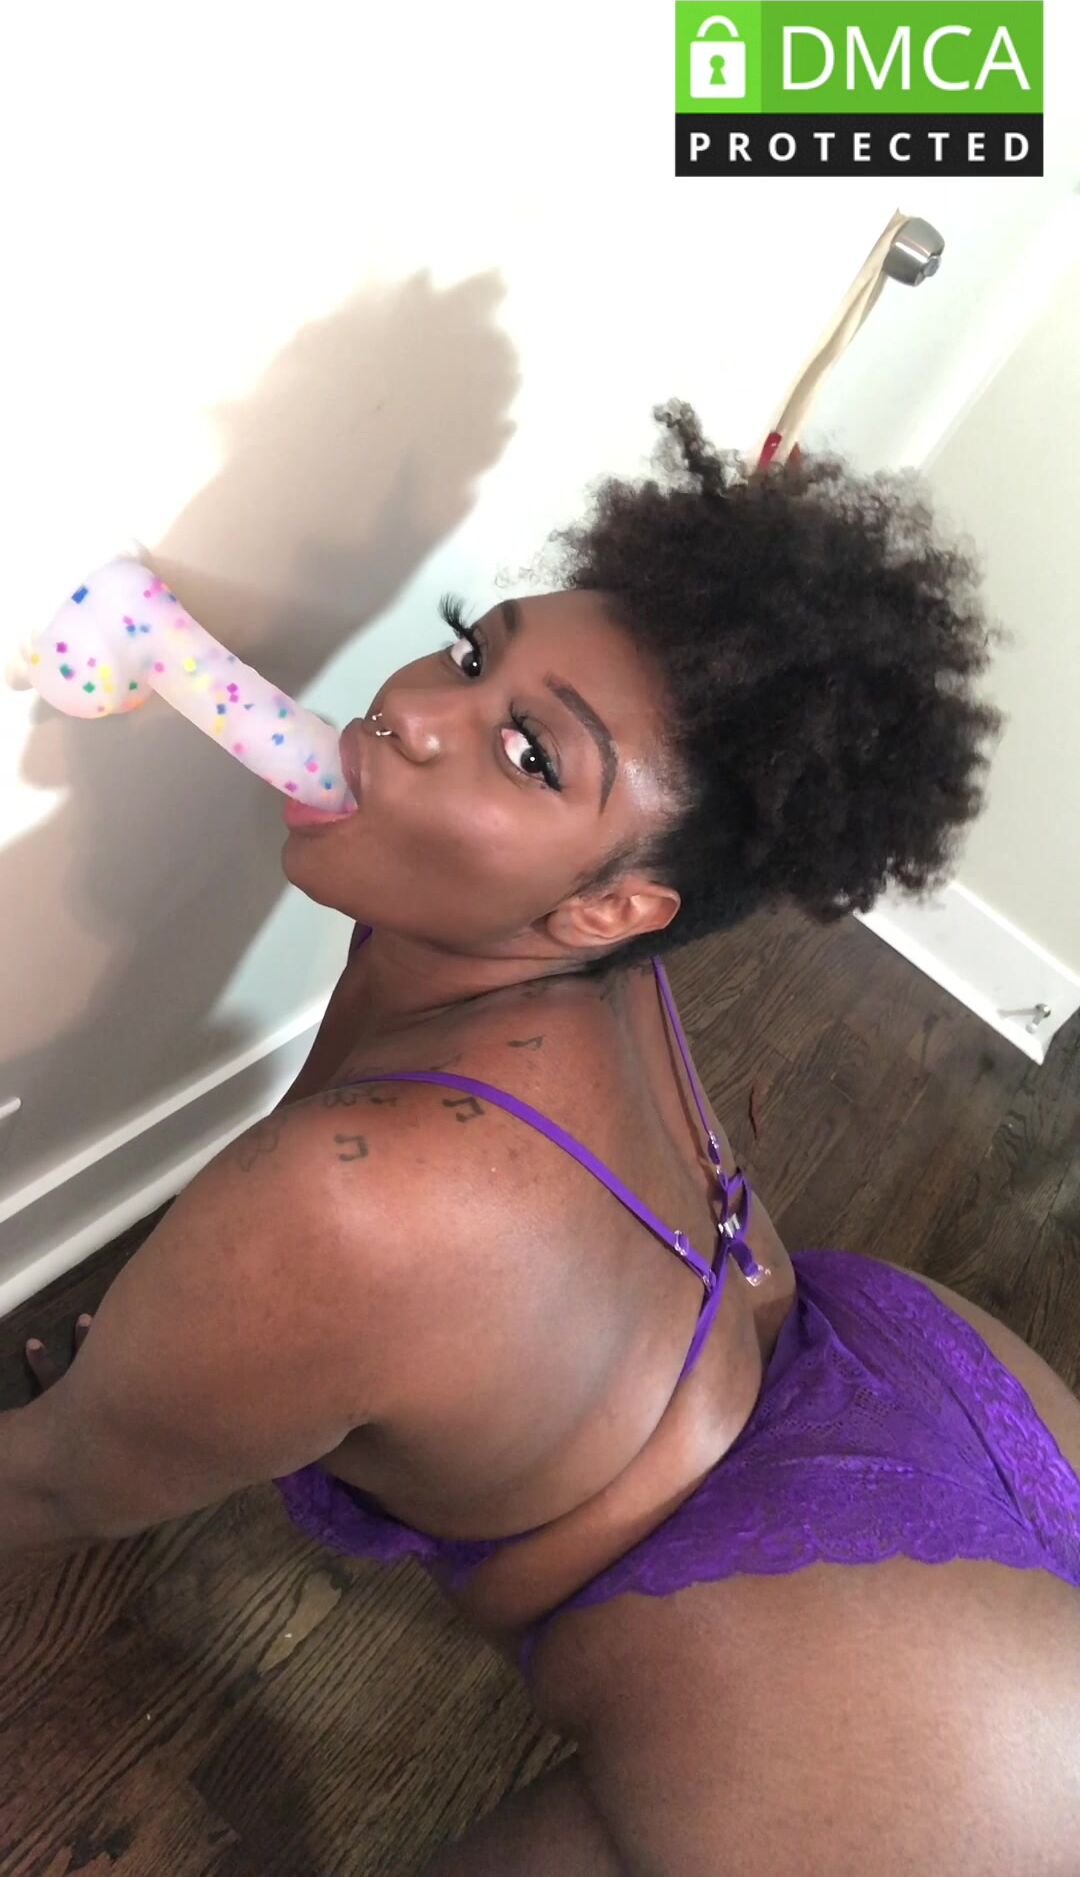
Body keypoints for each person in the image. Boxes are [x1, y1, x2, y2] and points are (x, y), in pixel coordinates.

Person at [9, 401, 1080, 1874]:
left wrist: (118, 1417)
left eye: (524, 750)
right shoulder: (572, 948)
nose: (411, 713)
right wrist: (189, 1359)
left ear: (613, 909)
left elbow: (55, 1486)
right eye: (471, 651)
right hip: (947, 1423)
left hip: (894, 1740)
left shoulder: (365, 1199)